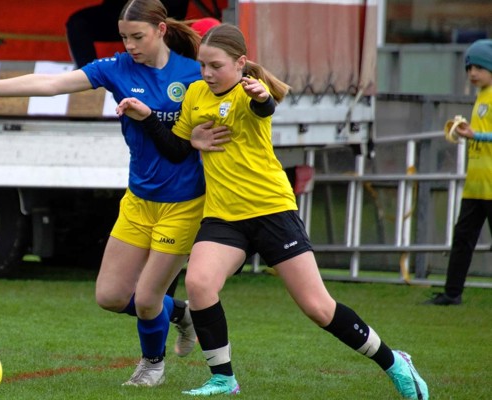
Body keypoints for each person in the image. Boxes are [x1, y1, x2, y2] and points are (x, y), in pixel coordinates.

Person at [116, 23, 430, 399]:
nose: (207, 74)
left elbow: (265, 107)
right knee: (200, 284)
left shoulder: (250, 92)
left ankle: (394, 361)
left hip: (271, 212)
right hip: (223, 216)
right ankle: (223, 379)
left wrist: (262, 94)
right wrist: (147, 116)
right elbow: (177, 149)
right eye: (202, 66)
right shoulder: (197, 94)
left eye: (216, 66)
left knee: (318, 308)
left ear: (241, 64)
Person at [0, 0, 204, 387]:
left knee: (146, 298)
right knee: (110, 296)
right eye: (124, 37)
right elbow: (52, 84)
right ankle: (182, 314)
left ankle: (152, 366)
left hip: (182, 203)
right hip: (139, 201)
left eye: (138, 37)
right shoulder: (116, 69)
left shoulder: (193, 74)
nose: (129, 45)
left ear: (161, 31)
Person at [426, 39, 492, 306]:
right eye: (469, 68)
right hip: (475, 185)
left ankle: (452, 292)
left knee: (464, 239)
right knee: (462, 239)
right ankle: (452, 293)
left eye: (478, 67)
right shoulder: (481, 96)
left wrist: (477, 135)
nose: (472, 73)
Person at [66, 0, 189, 68]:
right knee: (78, 24)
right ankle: (88, 76)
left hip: (161, 11)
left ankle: (144, 77)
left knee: (136, 26)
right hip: (119, 10)